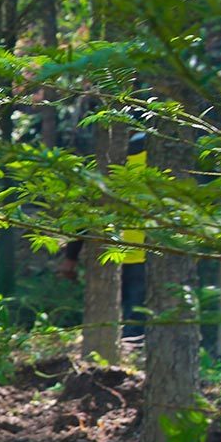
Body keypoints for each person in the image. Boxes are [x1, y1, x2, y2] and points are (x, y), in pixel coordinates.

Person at [59, 132, 148, 340]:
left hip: (108, 256)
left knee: (115, 320)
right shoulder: (162, 167)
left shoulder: (105, 167)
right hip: (148, 256)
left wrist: (70, 258)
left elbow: (83, 216)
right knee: (136, 324)